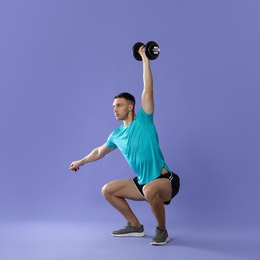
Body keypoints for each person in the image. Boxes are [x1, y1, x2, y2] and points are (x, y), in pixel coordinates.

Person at [69, 45, 180, 246]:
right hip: (143, 182)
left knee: (149, 190)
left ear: (130, 106)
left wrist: (145, 58)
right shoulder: (116, 135)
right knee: (107, 190)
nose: (115, 110)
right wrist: (81, 161)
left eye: (118, 105)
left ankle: (162, 230)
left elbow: (148, 88)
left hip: (164, 180)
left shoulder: (144, 120)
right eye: (113, 107)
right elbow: (99, 151)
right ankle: (135, 226)